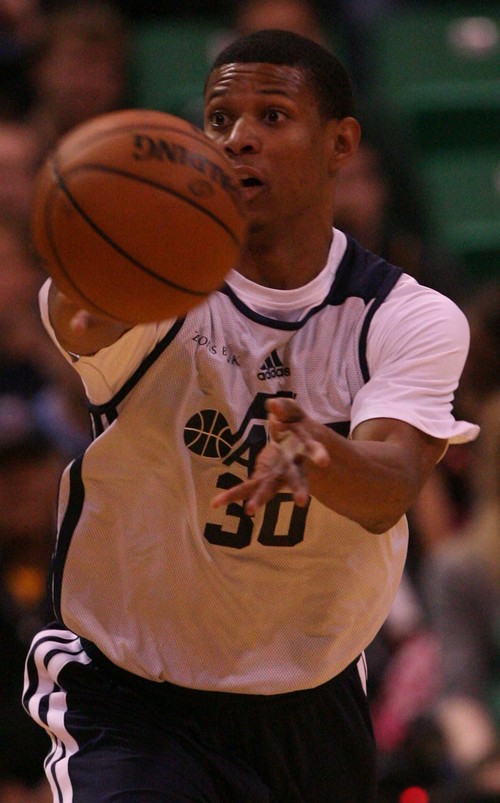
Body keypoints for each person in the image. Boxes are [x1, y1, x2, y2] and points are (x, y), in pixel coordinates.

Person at [23, 29, 478, 802]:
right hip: (129, 692)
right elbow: (80, 318)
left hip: (310, 699)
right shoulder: (151, 284)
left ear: (341, 144)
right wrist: (91, 247)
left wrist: (321, 455)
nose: (238, 138)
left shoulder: (406, 316)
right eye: (218, 118)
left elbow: (393, 484)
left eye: (272, 115)